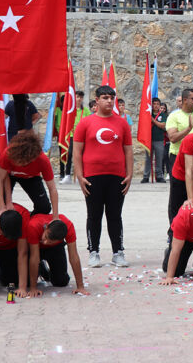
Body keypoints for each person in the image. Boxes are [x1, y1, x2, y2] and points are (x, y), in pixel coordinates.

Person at [72, 85, 133, 269]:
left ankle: (118, 252)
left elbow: (128, 151)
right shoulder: (85, 123)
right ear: (96, 100)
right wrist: (80, 176)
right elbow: (77, 151)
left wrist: (129, 174)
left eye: (111, 98)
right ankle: (93, 252)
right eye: (105, 97)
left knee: (115, 215)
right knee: (94, 215)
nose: (109, 101)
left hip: (117, 177)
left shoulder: (122, 123)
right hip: (92, 176)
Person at [0, 131, 59, 216]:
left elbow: (52, 188)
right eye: (19, 162)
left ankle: (27, 218)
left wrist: (55, 216)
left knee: (44, 208)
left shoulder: (42, 160)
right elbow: (0, 180)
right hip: (9, 176)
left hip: (30, 178)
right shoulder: (8, 153)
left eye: (25, 163)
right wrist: (3, 206)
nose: (22, 165)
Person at [25, 213, 89, 296]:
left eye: (50, 241)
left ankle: (46, 270)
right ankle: (40, 267)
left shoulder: (68, 227)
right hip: (35, 247)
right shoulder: (34, 225)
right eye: (46, 237)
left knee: (61, 282)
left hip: (55, 249)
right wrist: (33, 288)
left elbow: (74, 257)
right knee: (28, 283)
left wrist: (80, 286)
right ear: (46, 227)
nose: (45, 242)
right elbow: (34, 257)